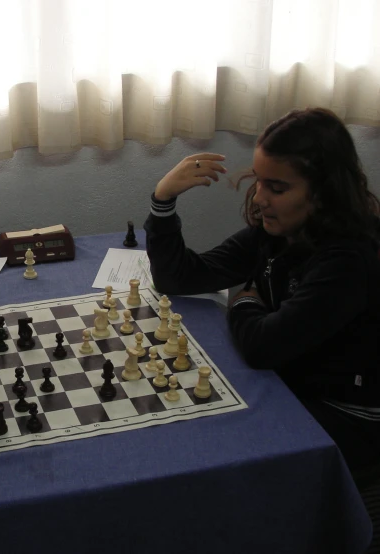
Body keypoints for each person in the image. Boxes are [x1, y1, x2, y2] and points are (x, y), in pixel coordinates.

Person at [144, 107, 380, 482]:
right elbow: (180, 278)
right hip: (291, 376)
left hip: (345, 412)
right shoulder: (277, 231)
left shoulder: (347, 259)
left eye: (277, 188)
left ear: (323, 193)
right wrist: (163, 201)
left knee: (208, 449)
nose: (257, 199)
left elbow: (263, 347)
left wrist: (244, 300)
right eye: (258, 181)